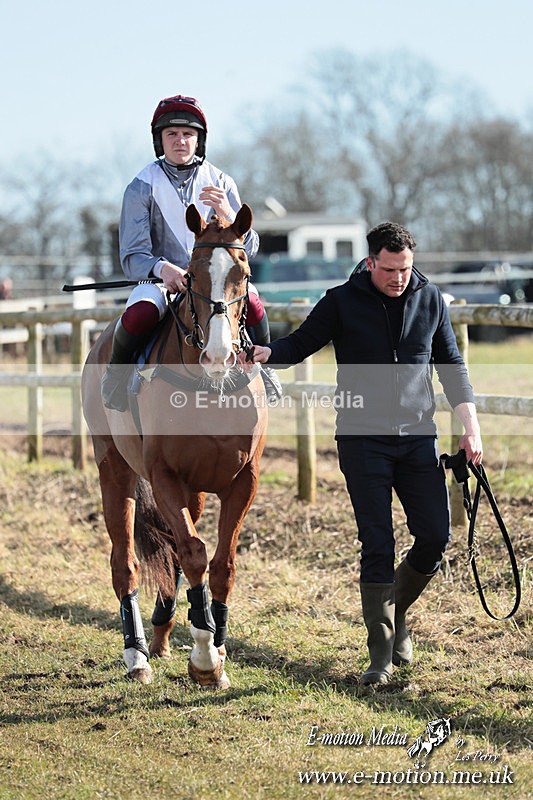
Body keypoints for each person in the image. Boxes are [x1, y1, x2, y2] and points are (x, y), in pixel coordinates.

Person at [243, 221, 483, 686]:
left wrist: (470, 428)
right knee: (377, 542)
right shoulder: (340, 301)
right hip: (361, 439)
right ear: (370, 261)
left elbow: (452, 365)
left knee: (435, 536)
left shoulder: (429, 298)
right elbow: (300, 343)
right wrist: (262, 353)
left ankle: (396, 613)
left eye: (406, 269)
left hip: (418, 437)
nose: (399, 278)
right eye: (390, 269)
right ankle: (381, 656)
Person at [102, 93, 280, 411]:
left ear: (199, 140)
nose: (180, 141)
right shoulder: (141, 186)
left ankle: (266, 369)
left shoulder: (222, 181)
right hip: (161, 281)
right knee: (138, 315)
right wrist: (163, 269)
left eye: (188, 134)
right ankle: (116, 376)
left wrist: (228, 209)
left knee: (252, 302)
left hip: (216, 280)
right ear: (161, 140)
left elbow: (248, 250)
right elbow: (132, 255)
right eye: (172, 134)